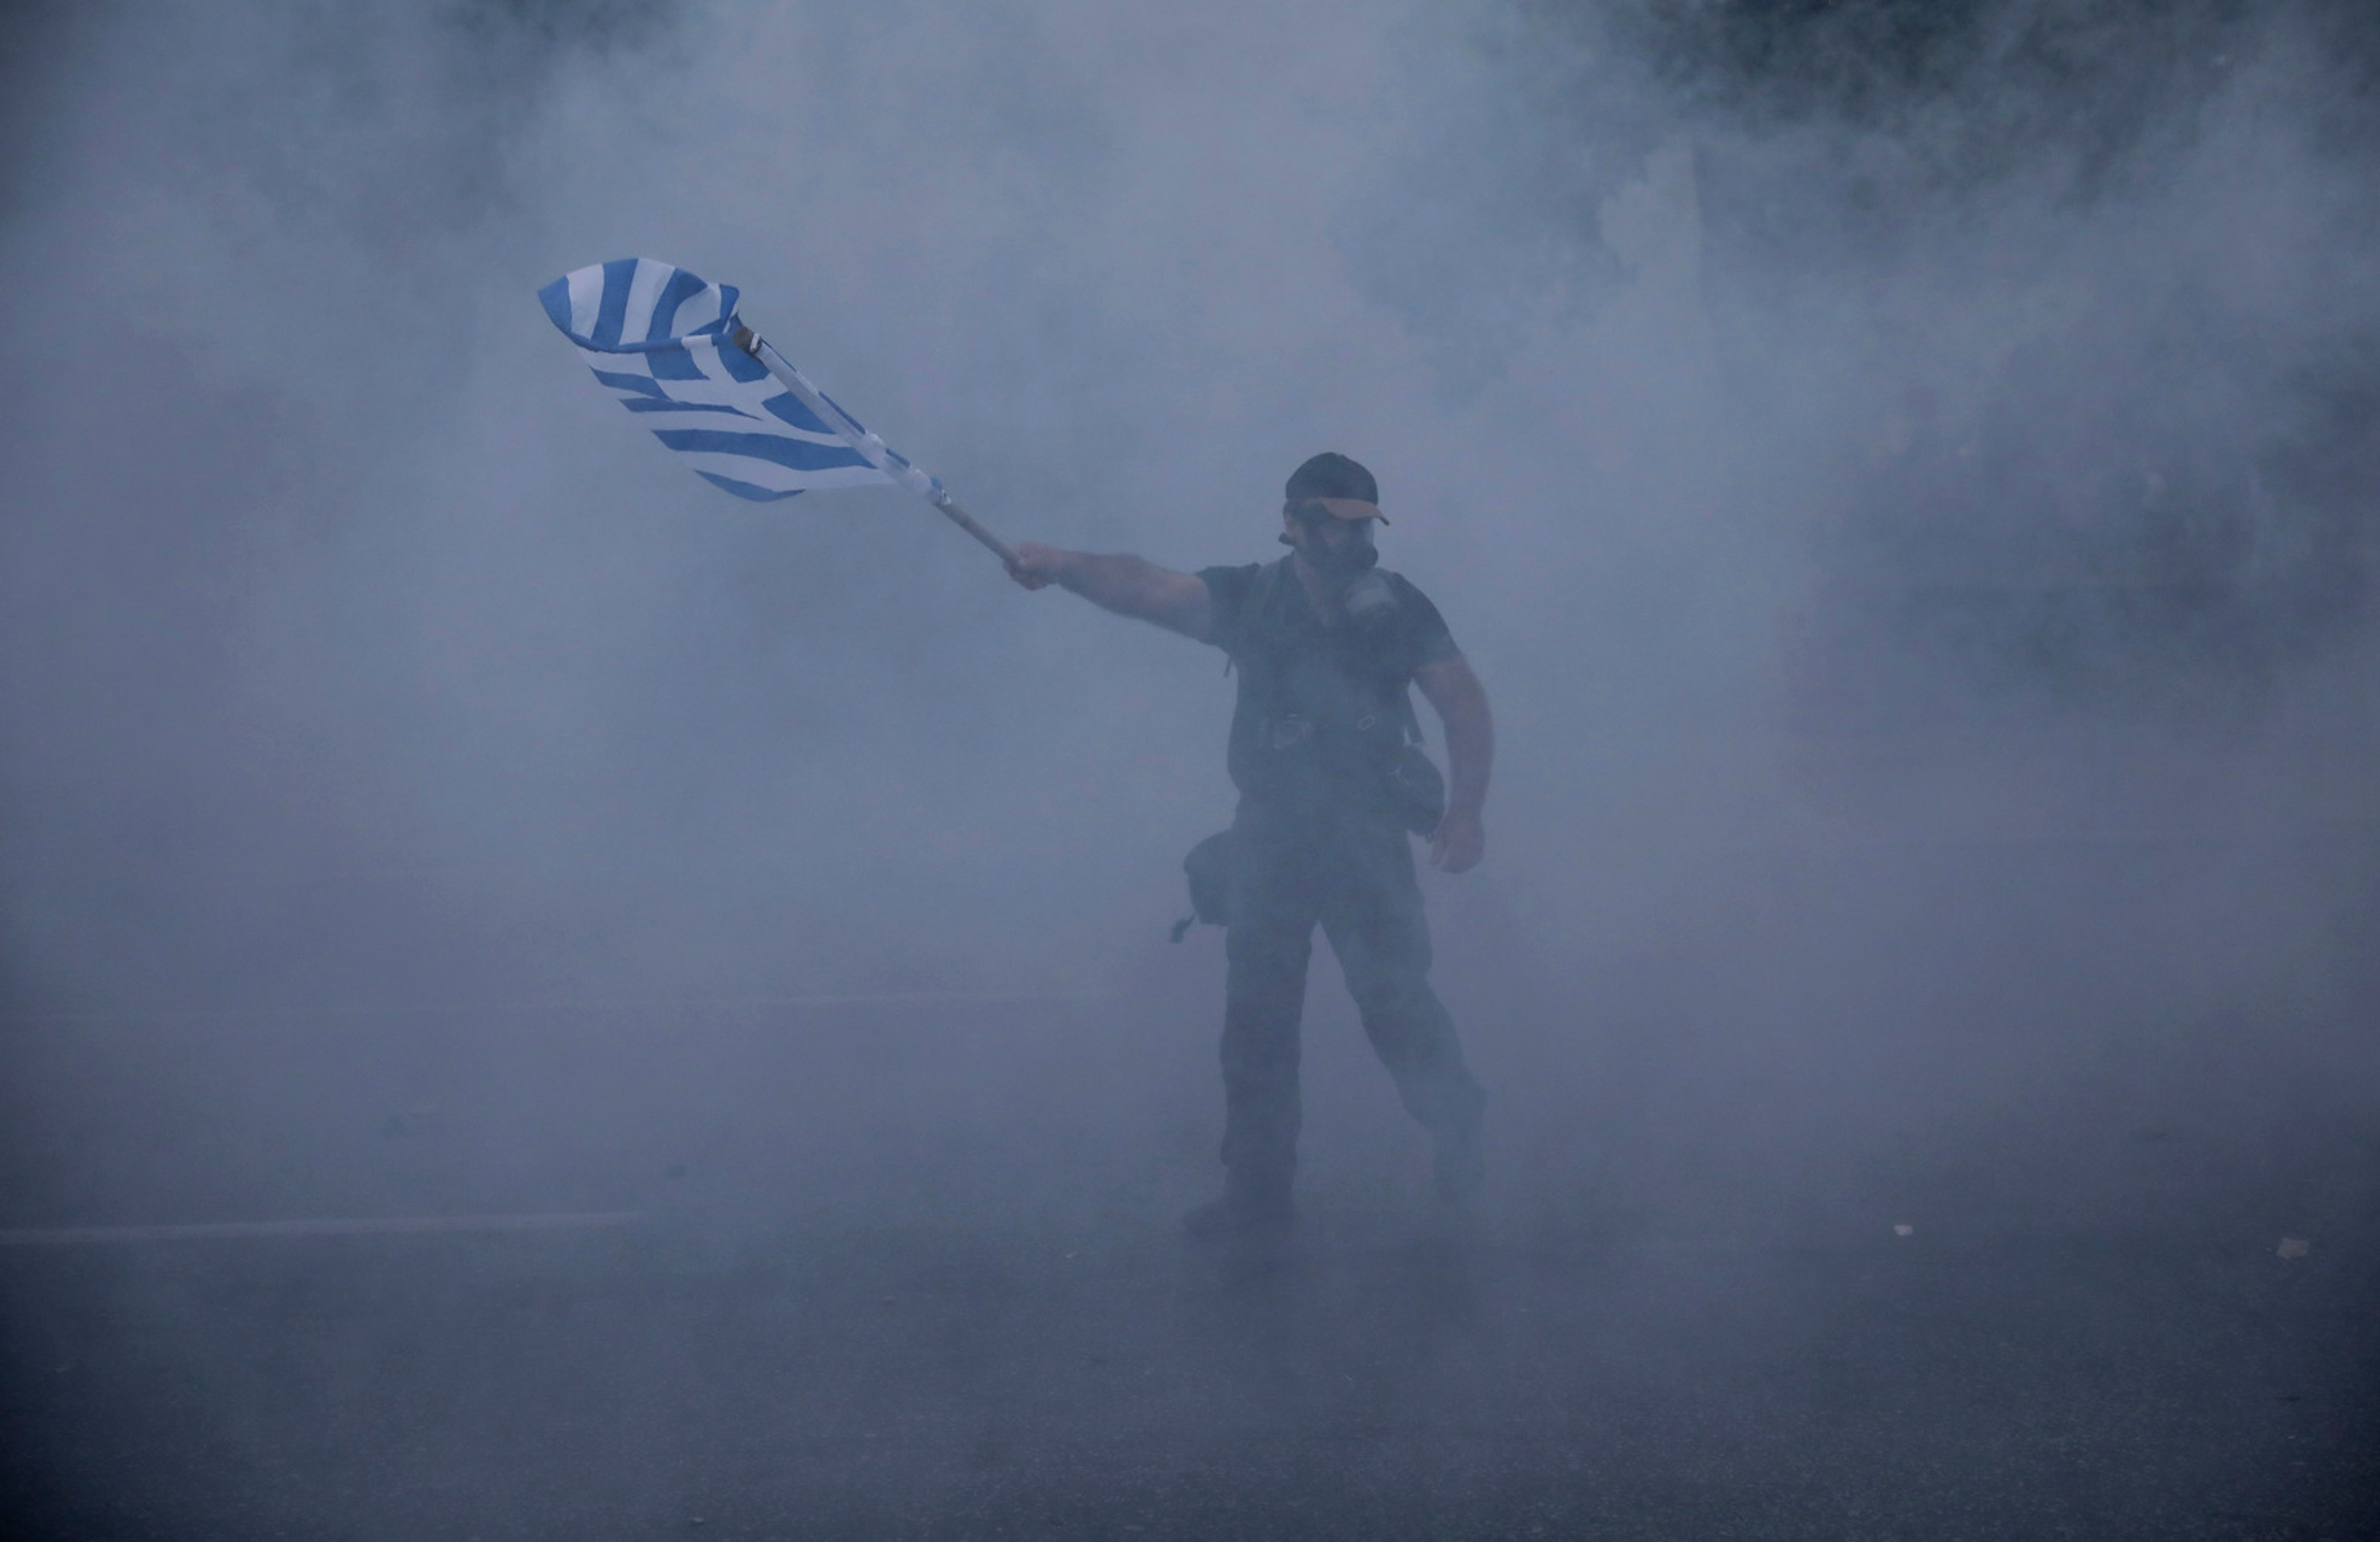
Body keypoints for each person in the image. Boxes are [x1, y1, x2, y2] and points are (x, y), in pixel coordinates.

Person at [1006, 451, 1494, 1242]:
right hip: (1272, 836)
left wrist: (1466, 811)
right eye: (1329, 525)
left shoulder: (1399, 609)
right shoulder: (1254, 598)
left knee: (1396, 1004)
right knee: (1257, 1025)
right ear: (1293, 524)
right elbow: (1146, 586)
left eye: (1360, 525)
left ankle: (1457, 1130)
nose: (1346, 543)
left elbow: (1462, 701)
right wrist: (1059, 564)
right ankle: (1257, 1197)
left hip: (1366, 839)